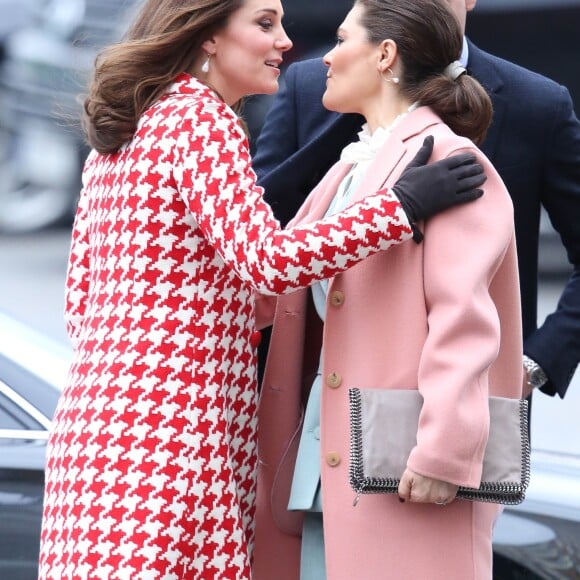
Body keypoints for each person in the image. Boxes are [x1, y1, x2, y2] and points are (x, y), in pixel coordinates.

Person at [37, 0, 488, 578]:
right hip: (173, 430)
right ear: (208, 37)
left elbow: (83, 302)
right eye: (264, 23)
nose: (286, 43)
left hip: (95, 431)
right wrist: (399, 208)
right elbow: (267, 262)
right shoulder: (203, 121)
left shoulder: (126, 131)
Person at [253, 0, 523, 578]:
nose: (324, 55)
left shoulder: (448, 158)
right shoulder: (351, 162)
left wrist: (444, 452)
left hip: (407, 469)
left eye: (342, 38)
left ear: (384, 55)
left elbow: (465, 323)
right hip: (326, 467)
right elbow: (279, 277)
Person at [253, 0, 580, 400]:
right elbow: (261, 231)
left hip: (466, 402)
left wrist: (534, 364)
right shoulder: (316, 83)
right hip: (318, 395)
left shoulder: (536, 103)